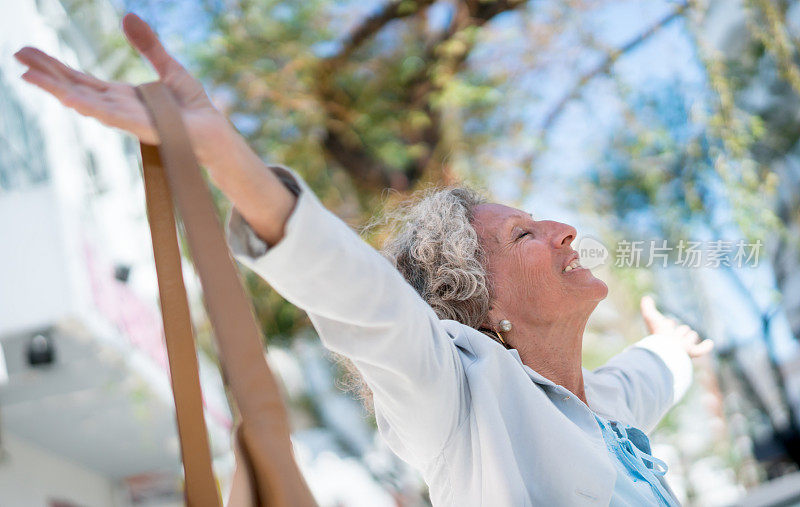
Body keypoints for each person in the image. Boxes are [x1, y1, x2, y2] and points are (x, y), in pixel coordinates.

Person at [14, 13, 713, 506]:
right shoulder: (461, 401)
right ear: (482, 307)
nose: (564, 230)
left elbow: (659, 366)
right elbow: (363, 300)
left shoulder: (610, 399)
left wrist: (673, 344)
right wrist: (222, 151)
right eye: (524, 236)